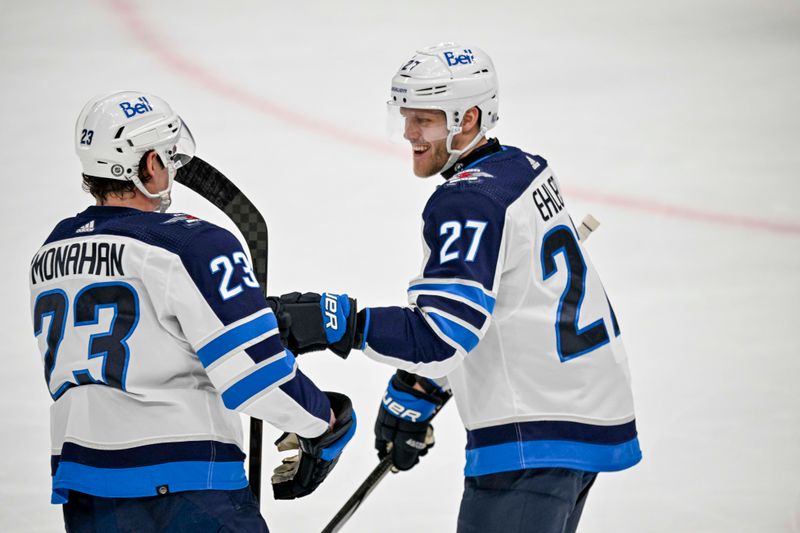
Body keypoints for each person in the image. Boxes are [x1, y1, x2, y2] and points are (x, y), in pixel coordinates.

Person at [269, 43, 641, 533]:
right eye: (405, 116)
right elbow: (507, 303)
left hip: (532, 435)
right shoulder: (522, 170)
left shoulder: (468, 199)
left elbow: (442, 337)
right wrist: (421, 384)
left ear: (466, 118)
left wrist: (341, 322)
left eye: (423, 119)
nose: (407, 132)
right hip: (575, 414)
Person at [29, 91, 356, 532]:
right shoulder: (191, 244)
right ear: (147, 165)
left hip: (87, 487)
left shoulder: (50, 253)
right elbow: (252, 374)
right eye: (167, 156)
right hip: (187, 489)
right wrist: (321, 420)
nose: (173, 168)